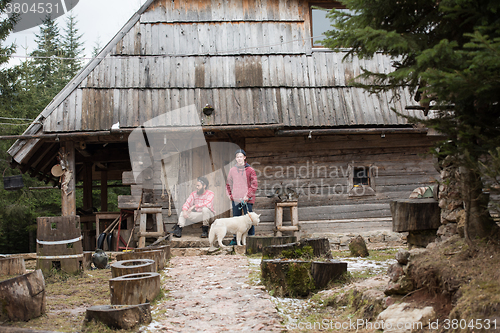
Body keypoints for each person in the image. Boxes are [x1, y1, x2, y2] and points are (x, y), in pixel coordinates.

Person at [226, 149, 258, 245]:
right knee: (236, 219)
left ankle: (251, 238)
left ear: (244, 157)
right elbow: (228, 184)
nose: (239, 159)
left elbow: (254, 184)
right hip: (236, 199)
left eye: (241, 156)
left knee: (249, 219)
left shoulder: (250, 170)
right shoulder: (232, 170)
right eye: (237, 157)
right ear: (236, 159)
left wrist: (247, 195)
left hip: (247, 199)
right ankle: (236, 239)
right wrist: (230, 195)